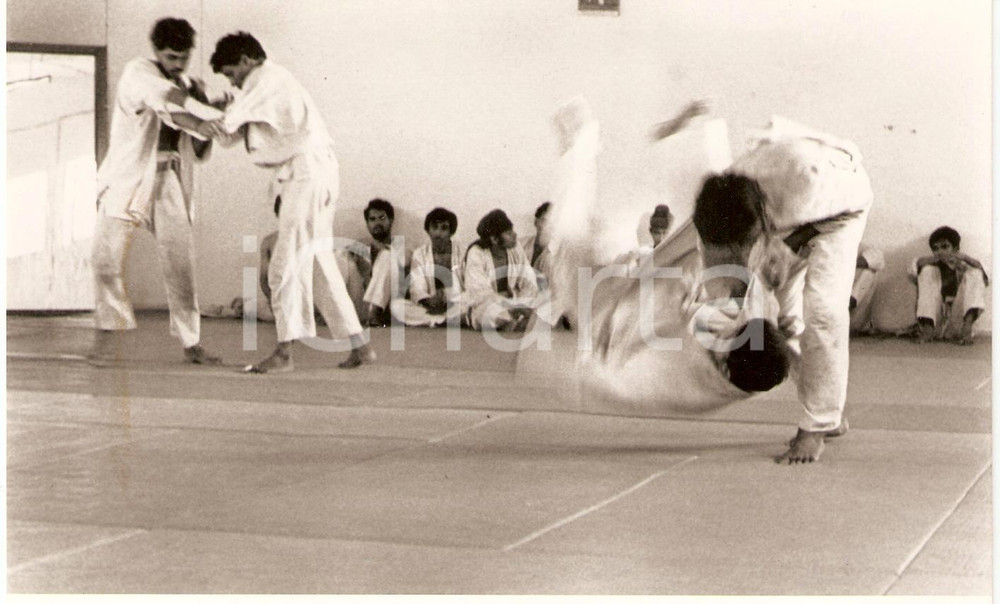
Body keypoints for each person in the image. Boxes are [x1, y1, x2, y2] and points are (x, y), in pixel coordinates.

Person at [205, 31, 375, 372]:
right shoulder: (269, 83)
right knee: (317, 263)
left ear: (246, 61)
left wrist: (191, 106)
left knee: (283, 265)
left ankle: (284, 353)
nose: (233, 83)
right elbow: (229, 134)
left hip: (307, 175)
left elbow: (225, 127)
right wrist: (218, 111)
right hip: (315, 173)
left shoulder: (264, 78)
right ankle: (360, 346)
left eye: (231, 74)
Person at [90, 17, 225, 366]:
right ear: (156, 51)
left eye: (183, 57)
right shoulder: (140, 72)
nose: (177, 64)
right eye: (170, 57)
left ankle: (191, 342)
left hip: (168, 180)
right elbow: (168, 104)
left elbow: (195, 141)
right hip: (127, 180)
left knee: (181, 265)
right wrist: (203, 114)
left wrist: (214, 119)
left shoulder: (188, 84)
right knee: (106, 260)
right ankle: (109, 335)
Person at [909, 226, 988, 345]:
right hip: (936, 320)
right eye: (936, 248)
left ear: (955, 249)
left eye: (945, 246)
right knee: (927, 270)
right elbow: (914, 268)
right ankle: (928, 328)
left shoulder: (964, 267)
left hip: (958, 321)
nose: (940, 251)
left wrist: (966, 259)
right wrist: (933, 260)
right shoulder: (932, 266)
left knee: (975, 272)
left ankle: (967, 327)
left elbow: (986, 277)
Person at [464, 209, 541, 331]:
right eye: (509, 233)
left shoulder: (516, 248)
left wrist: (521, 304)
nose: (515, 235)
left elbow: (529, 282)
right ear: (494, 239)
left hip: (517, 303)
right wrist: (511, 305)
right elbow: (479, 293)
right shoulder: (476, 253)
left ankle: (517, 321)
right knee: (490, 314)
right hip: (487, 306)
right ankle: (513, 322)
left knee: (543, 308)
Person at [390, 207, 465, 327]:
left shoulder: (462, 252)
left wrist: (448, 298)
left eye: (444, 228)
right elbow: (416, 286)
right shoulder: (420, 254)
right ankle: (441, 320)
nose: (438, 234)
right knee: (397, 306)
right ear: (428, 230)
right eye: (434, 228)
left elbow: (469, 287)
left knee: (468, 302)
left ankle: (441, 319)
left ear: (451, 232)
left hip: (457, 303)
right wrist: (428, 300)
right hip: (431, 306)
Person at [342, 198, 409, 327]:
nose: (377, 223)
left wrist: (380, 250)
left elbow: (403, 264)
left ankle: (374, 312)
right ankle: (335, 312)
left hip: (388, 306)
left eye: (382, 218)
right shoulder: (360, 245)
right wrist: (351, 259)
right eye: (372, 219)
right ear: (367, 224)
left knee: (387, 256)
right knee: (341, 257)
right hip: (361, 303)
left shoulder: (402, 245)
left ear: (391, 221)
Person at [849, 245, 884, 334]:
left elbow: (877, 260)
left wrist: (837, 263)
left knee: (868, 273)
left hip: (852, 317)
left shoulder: (865, 248)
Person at [522, 202, 554, 289]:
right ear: (536, 222)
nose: (547, 226)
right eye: (544, 220)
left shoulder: (557, 254)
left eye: (552, 222)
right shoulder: (520, 244)